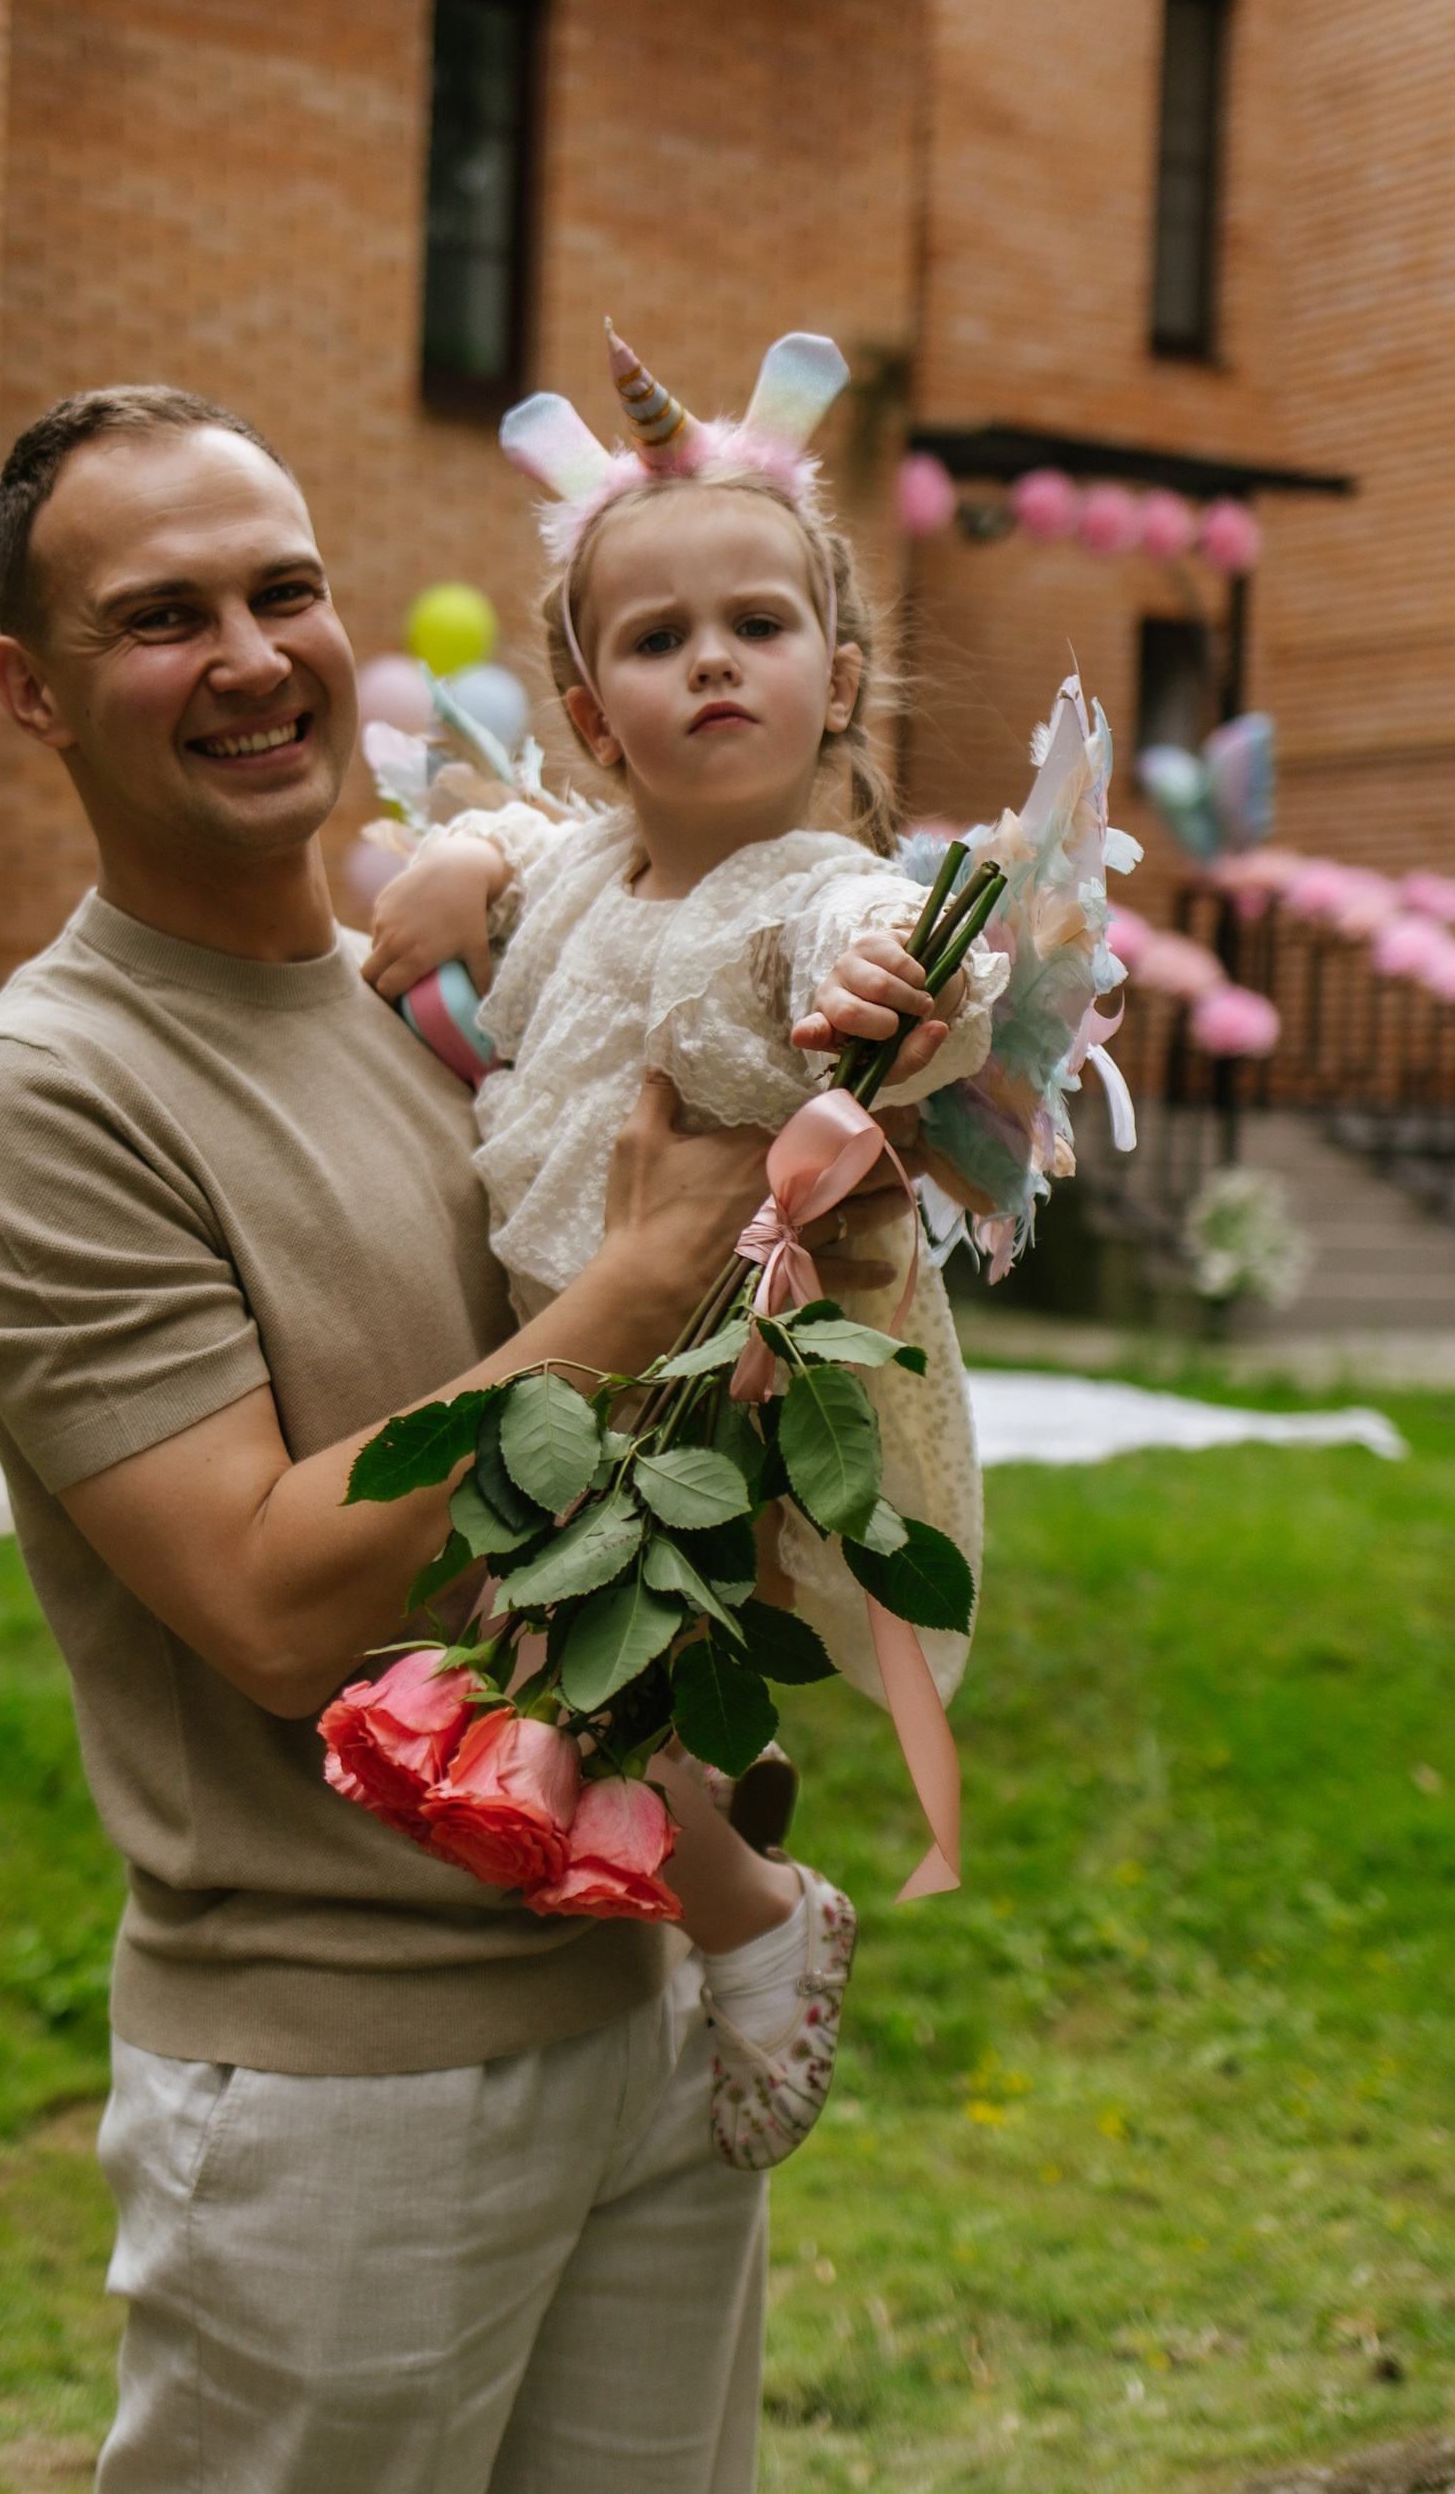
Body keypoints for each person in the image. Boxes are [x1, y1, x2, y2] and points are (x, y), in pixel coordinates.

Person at [0, 385, 930, 2494]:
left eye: (282, 589)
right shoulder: (47, 1092)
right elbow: (279, 1609)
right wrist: (636, 1282)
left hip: (638, 1996)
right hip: (345, 2084)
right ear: (33, 689)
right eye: (158, 616)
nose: (252, 653)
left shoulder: (472, 1009)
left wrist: (844, 1219)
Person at [360, 331, 1003, 2165]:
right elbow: (522, 839)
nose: (711, 658)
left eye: (757, 625)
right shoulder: (574, 867)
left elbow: (898, 969)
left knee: (574, 1641)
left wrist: (908, 985)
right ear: (589, 714)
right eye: (655, 641)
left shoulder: (815, 899)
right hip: (572, 1333)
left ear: (841, 679)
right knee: (569, 1647)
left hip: (710, 1375)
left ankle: (760, 1932)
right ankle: (728, 1811)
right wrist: (462, 859)